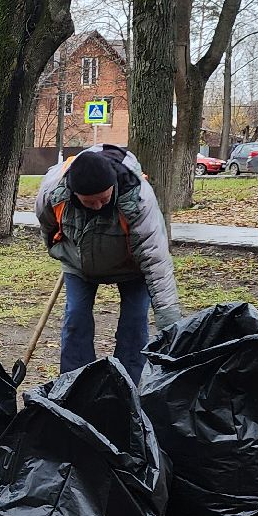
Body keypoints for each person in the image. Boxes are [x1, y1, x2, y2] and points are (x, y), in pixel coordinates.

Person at [33, 145, 184, 381]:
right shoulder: (52, 194)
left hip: (133, 268)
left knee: (134, 324)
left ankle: (129, 384)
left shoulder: (138, 199)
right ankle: (75, 383)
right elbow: (50, 232)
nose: (98, 206)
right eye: (89, 202)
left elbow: (157, 264)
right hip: (79, 264)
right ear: (74, 193)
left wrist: (171, 326)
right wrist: (66, 254)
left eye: (103, 199)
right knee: (76, 319)